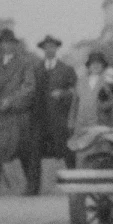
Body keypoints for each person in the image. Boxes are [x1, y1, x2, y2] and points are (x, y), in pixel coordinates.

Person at [0, 28, 40, 196]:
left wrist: (11, 101)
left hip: (17, 114)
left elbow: (29, 87)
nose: (7, 46)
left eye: (10, 43)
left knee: (22, 149)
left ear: (15, 45)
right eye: (4, 43)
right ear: (1, 45)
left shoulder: (24, 63)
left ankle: (32, 186)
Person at [35, 35, 77, 173]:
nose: (49, 50)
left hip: (60, 119)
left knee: (67, 150)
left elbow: (75, 93)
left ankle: (75, 183)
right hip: (40, 119)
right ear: (42, 49)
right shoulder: (35, 69)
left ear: (57, 48)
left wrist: (63, 94)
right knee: (34, 153)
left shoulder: (66, 70)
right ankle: (33, 189)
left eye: (52, 47)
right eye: (46, 47)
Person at [69, 51, 113, 135]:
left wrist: (105, 105)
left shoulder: (109, 81)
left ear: (103, 66)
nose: (95, 66)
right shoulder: (81, 81)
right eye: (93, 63)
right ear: (88, 66)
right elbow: (75, 104)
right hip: (81, 124)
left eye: (99, 63)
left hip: (100, 124)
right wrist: (71, 122)